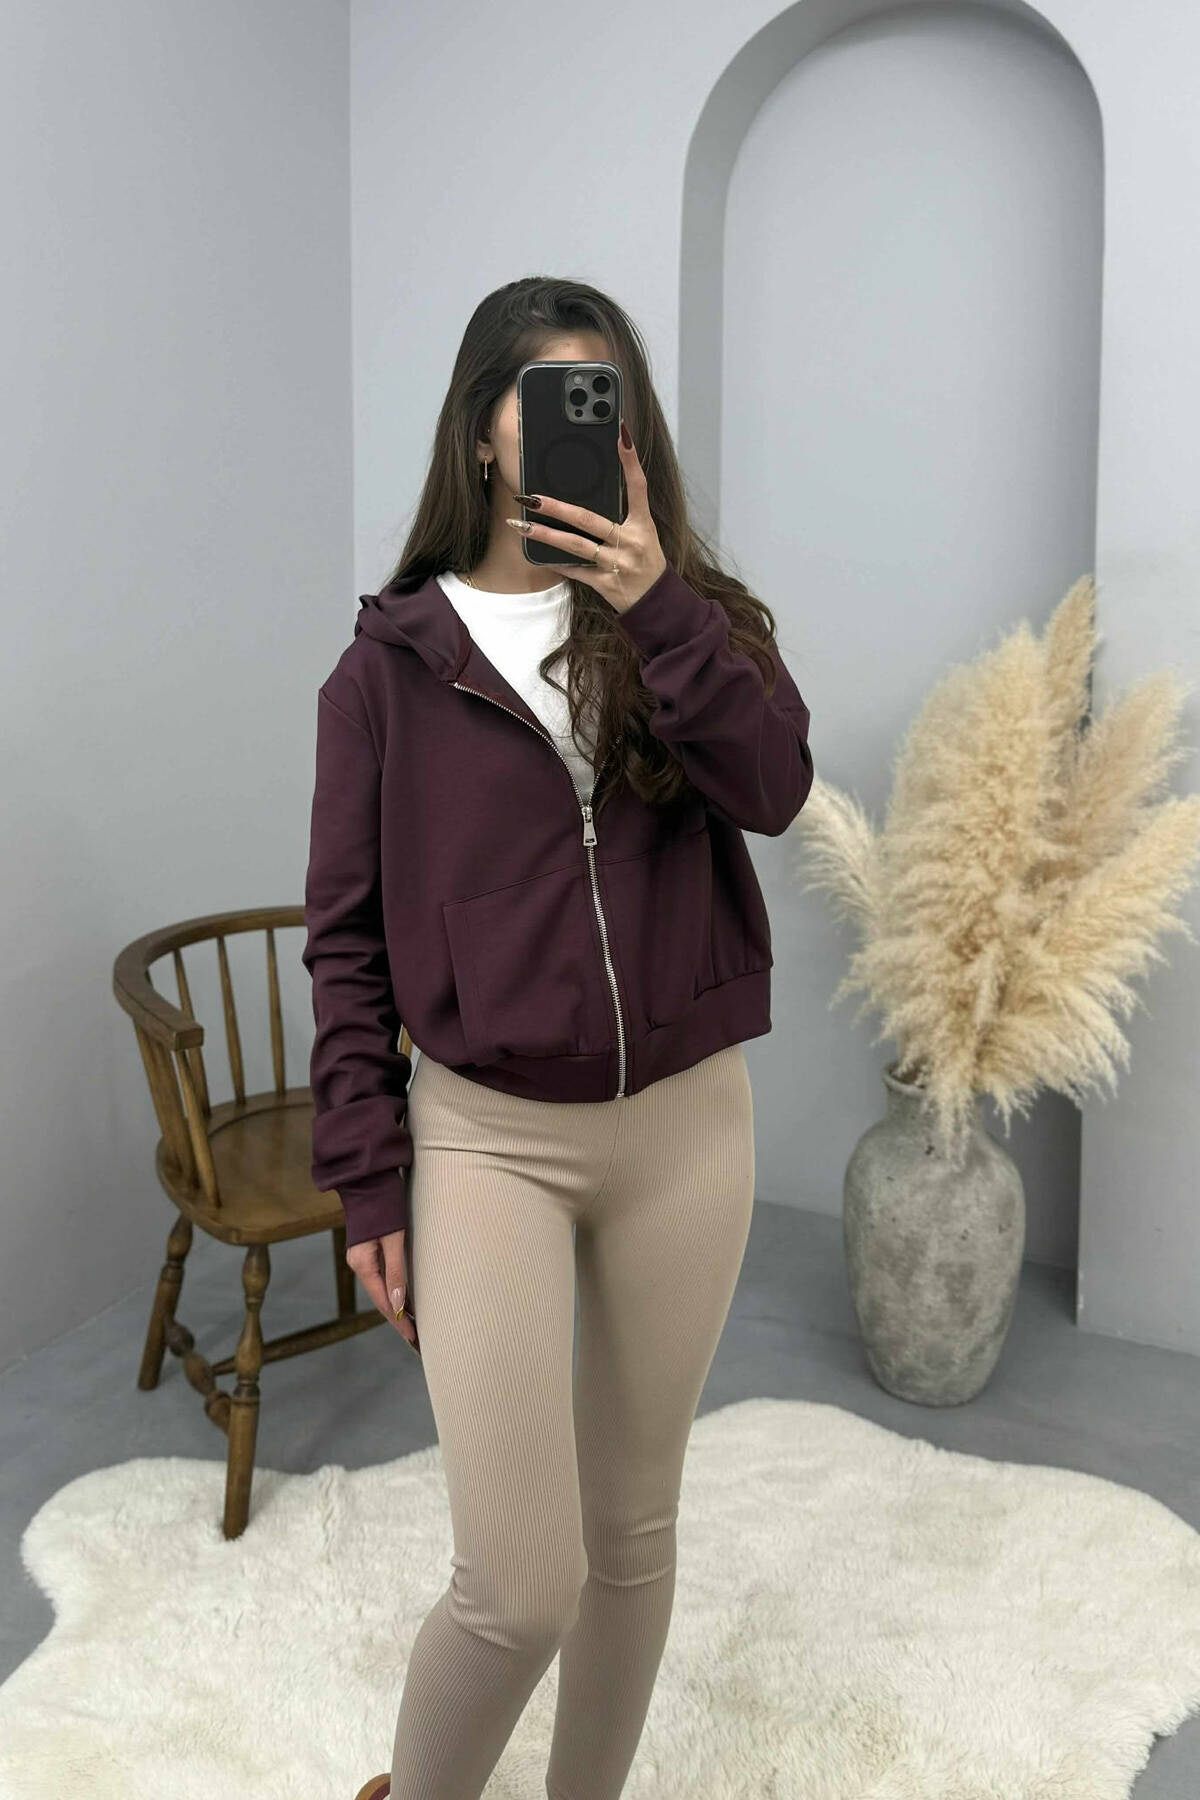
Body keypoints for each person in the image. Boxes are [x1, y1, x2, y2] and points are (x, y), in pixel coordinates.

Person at [301, 275, 814, 1800]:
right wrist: (369, 1175)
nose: (592, 430)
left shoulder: (689, 624)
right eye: (553, 402)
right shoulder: (386, 674)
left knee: (633, 1530)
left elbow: (775, 788)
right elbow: (345, 946)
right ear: (484, 434)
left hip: (686, 1126)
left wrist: (659, 606)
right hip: (489, 1136)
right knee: (521, 1584)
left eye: (611, 402)